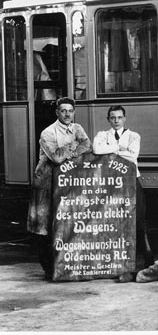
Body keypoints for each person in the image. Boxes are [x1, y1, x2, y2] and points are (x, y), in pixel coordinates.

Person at [27, 97, 91, 280]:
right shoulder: (47, 133)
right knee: (45, 227)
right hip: (47, 184)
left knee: (67, 222)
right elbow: (55, 158)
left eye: (70, 111)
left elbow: (87, 145)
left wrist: (67, 152)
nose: (67, 114)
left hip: (67, 183)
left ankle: (66, 267)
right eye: (63, 111)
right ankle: (48, 269)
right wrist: (73, 146)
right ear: (57, 113)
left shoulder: (78, 128)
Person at [92, 105, 153, 281]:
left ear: (124, 118)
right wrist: (120, 150)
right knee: (114, 221)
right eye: (113, 117)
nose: (116, 121)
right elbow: (96, 149)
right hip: (112, 183)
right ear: (108, 119)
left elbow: (133, 157)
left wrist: (111, 150)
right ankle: (119, 265)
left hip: (132, 181)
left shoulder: (134, 136)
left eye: (119, 117)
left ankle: (147, 260)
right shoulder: (102, 135)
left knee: (139, 221)